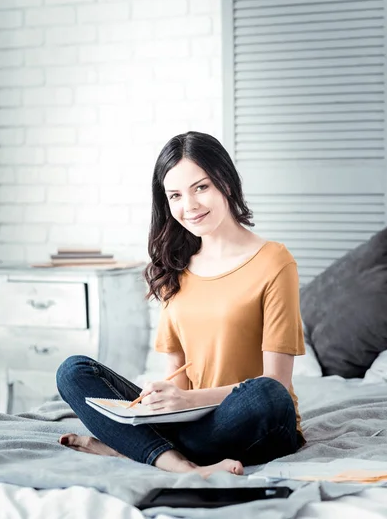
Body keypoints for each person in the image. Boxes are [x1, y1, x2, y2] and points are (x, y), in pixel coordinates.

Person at [56, 131, 306, 478]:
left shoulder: (275, 261)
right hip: (194, 424)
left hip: (256, 421)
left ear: (226, 183)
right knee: (73, 371)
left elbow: (276, 381)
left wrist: (185, 402)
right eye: (175, 195)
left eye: (200, 187)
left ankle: (133, 447)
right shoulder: (176, 266)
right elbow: (178, 375)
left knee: (264, 393)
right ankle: (177, 464)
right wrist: (165, 399)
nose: (189, 206)